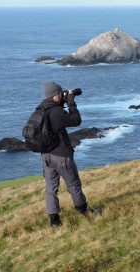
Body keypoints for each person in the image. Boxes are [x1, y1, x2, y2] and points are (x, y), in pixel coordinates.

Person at [39, 81, 98, 228]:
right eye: (60, 93)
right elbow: (76, 120)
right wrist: (71, 103)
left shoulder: (40, 109)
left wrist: (61, 102)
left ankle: (54, 220)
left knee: (51, 188)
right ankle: (84, 211)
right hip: (61, 156)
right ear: (56, 95)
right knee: (73, 184)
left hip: (46, 156)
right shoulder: (57, 112)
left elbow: (53, 122)